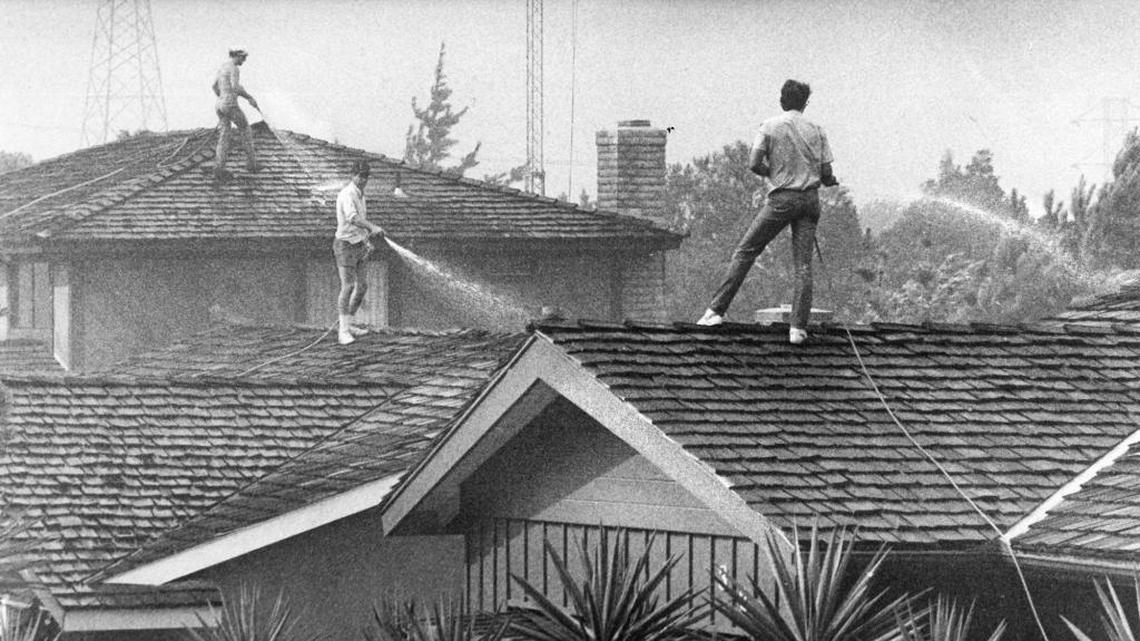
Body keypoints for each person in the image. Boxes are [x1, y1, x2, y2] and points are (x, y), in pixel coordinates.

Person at [697, 79, 838, 344]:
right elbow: (826, 172)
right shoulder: (817, 129)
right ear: (805, 103)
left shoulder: (770, 126)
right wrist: (828, 181)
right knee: (803, 266)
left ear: (781, 101)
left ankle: (715, 311)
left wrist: (772, 173)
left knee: (746, 251)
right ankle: (798, 328)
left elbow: (754, 163)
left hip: (782, 199)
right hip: (810, 201)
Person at [334, 159, 386, 345]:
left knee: (362, 287)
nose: (363, 179)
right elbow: (353, 218)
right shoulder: (347, 194)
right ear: (352, 175)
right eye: (360, 176)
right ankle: (343, 332)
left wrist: (366, 240)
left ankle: (349, 323)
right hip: (345, 245)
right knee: (348, 286)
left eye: (366, 176)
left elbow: (359, 224)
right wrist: (372, 227)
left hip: (359, 244)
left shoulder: (361, 195)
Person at [212, 49, 260, 179]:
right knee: (245, 129)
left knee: (224, 134)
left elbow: (214, 86)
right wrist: (249, 97)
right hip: (229, 104)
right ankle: (252, 164)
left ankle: (219, 168)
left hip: (219, 104)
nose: (244, 60)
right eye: (243, 57)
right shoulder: (234, 68)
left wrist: (222, 96)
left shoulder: (223, 67)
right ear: (236, 56)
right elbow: (235, 87)